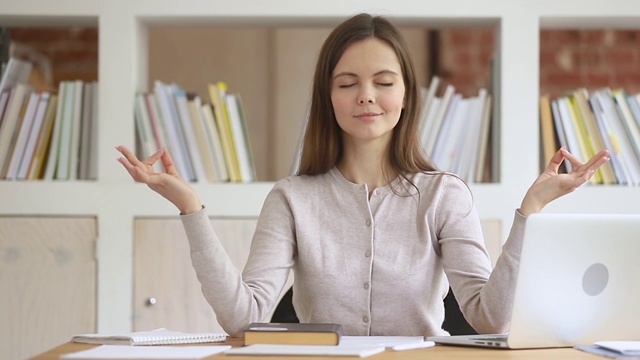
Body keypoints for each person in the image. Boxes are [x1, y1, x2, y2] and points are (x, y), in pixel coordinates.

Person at [116, 13, 610, 338]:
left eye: (383, 82)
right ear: (328, 99)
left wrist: (530, 212)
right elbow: (244, 320)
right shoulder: (292, 199)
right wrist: (190, 209)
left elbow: (489, 317)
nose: (366, 96)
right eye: (347, 83)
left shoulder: (444, 195)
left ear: (406, 97)